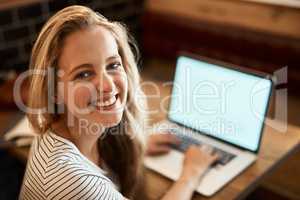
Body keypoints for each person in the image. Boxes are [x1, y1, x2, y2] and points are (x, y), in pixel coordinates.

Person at [19, 5, 218, 200]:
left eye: (113, 64)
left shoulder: (68, 131)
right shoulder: (71, 181)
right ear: (54, 91)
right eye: (84, 74)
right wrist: (190, 174)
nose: (107, 85)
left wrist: (140, 143)